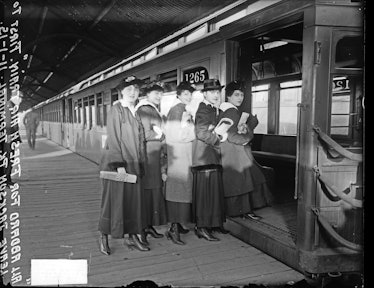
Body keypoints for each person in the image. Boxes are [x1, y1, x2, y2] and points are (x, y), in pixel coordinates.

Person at [98, 75, 150, 254]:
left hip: (133, 164)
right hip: (118, 164)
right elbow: (113, 137)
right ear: (121, 92)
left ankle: (133, 235)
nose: (133, 92)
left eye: (136, 89)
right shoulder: (117, 109)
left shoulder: (134, 111)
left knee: (132, 201)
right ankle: (104, 236)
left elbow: (140, 140)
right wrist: (118, 164)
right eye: (129, 89)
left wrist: (141, 163)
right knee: (113, 201)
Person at [219, 81, 273, 220]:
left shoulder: (226, 111)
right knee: (243, 181)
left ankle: (242, 211)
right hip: (235, 151)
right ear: (229, 97)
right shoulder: (231, 112)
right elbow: (232, 136)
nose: (240, 98)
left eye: (242, 95)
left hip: (230, 151)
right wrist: (249, 130)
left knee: (242, 181)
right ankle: (244, 211)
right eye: (236, 94)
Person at [191, 79, 227, 242]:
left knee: (212, 192)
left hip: (211, 156)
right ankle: (202, 227)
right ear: (204, 94)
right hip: (204, 156)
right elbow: (201, 133)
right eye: (212, 92)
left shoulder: (214, 109)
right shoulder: (204, 109)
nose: (216, 95)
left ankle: (213, 223)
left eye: (218, 92)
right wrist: (218, 139)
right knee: (206, 193)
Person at [163, 82, 196, 245]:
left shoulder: (182, 109)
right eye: (185, 94)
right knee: (178, 189)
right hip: (179, 155)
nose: (188, 97)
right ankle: (173, 228)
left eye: (190, 94)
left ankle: (178, 224)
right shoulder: (178, 110)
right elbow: (176, 135)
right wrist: (192, 133)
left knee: (181, 188)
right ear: (178, 96)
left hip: (182, 155)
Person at [135, 81, 167, 243]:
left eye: (161, 93)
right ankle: (142, 228)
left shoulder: (151, 109)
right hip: (148, 157)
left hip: (154, 156)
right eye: (156, 93)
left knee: (152, 191)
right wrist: (161, 135)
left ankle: (148, 225)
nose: (159, 96)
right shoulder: (145, 110)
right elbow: (145, 134)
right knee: (147, 191)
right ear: (147, 94)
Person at [4, 91, 23, 187]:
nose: (21, 100)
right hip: (9, 137)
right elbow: (10, 123)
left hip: (9, 137)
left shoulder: (10, 105)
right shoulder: (9, 106)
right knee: (9, 158)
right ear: (14, 97)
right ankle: (6, 180)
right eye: (20, 97)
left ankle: (7, 179)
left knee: (9, 158)